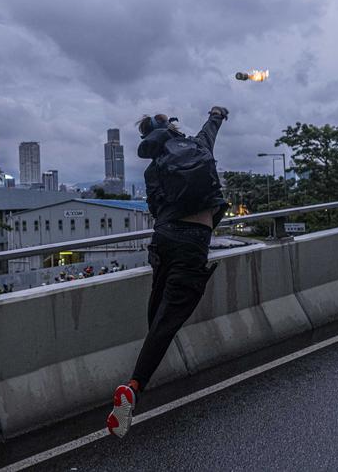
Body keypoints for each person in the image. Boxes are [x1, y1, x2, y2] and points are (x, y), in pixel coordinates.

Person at [107, 106, 229, 438]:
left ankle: (145, 373)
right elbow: (212, 126)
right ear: (173, 129)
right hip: (192, 243)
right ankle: (135, 385)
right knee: (167, 322)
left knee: (156, 315)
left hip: (163, 240)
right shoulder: (199, 145)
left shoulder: (154, 168)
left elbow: (156, 209)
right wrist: (218, 113)